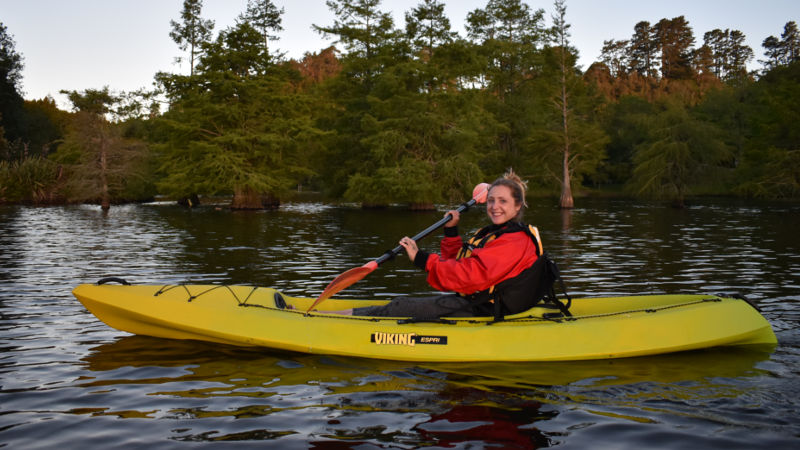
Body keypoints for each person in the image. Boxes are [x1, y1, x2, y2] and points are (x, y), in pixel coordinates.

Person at [336, 169, 544, 319]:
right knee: (399, 304)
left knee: (401, 306)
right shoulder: (492, 233)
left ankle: (330, 319)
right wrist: (451, 231)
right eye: (491, 200)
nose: (494, 207)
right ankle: (334, 315)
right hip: (477, 301)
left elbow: (471, 275)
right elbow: (457, 263)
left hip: (488, 309)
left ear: (517, 206)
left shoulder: (515, 240)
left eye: (503, 201)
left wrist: (422, 259)